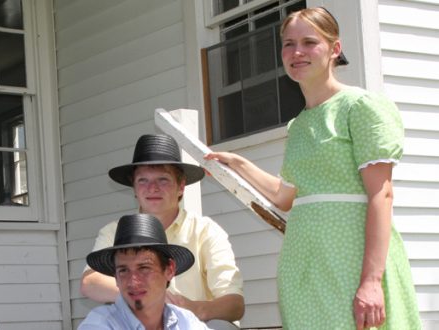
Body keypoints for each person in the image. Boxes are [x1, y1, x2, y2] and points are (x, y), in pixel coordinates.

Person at [204, 7, 421, 329]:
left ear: (334, 49)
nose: (297, 52)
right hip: (303, 261)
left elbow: (382, 194)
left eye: (309, 42)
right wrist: (239, 163)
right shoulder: (299, 125)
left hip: (349, 257)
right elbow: (284, 196)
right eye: (288, 44)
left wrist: (371, 281)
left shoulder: (360, 107)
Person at [81, 134, 244, 329]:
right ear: (134, 187)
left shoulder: (205, 230)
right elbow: (90, 282)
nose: (152, 188)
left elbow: (234, 303)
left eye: (163, 180)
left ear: (181, 186)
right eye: (143, 180)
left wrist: (196, 308)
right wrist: (149, 298)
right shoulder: (115, 231)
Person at [79, 213, 209, 330]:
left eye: (144, 268)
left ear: (169, 269)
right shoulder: (100, 324)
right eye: (123, 270)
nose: (133, 281)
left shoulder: (185, 321)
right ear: (115, 277)